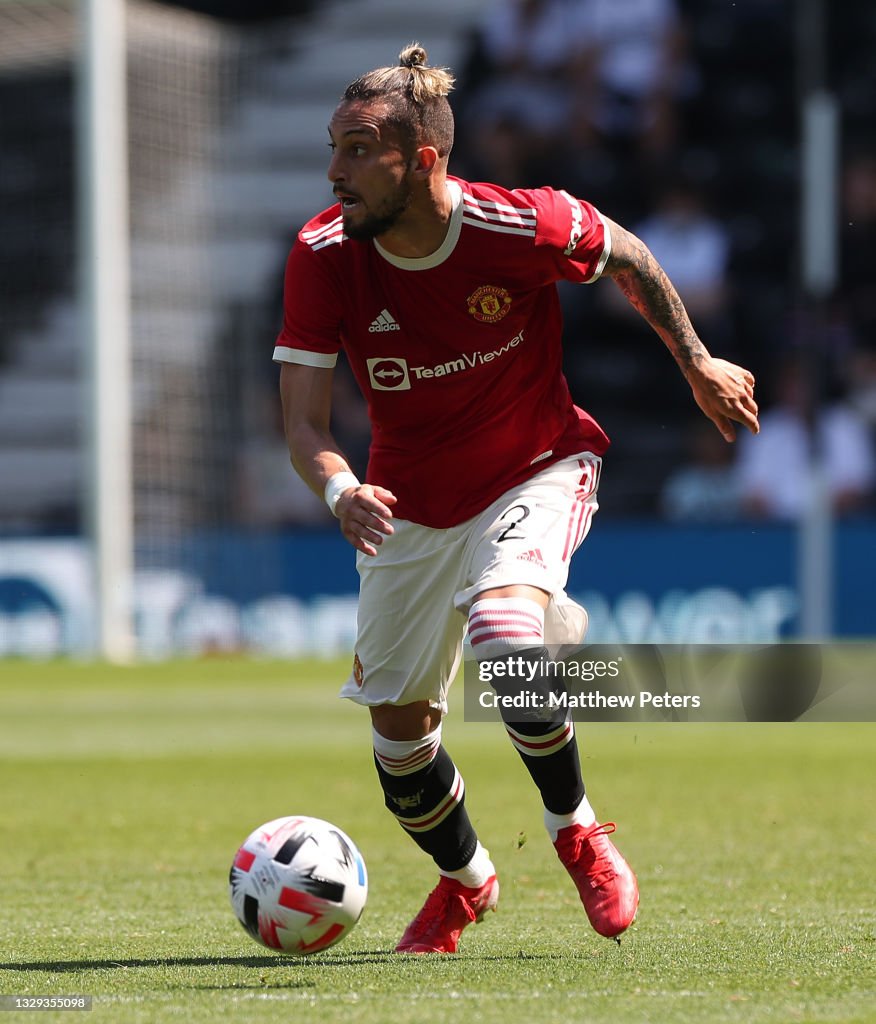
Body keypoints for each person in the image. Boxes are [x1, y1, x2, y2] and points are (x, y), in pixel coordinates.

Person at [275, 44, 759, 954]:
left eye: (355, 149)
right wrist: (340, 489)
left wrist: (695, 360)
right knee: (399, 744)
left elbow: (633, 255)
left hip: (536, 464)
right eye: (332, 147)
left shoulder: (521, 227)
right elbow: (303, 424)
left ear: (421, 159)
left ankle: (576, 829)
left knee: (504, 634)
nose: (333, 170)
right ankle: (466, 883)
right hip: (408, 505)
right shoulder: (321, 253)